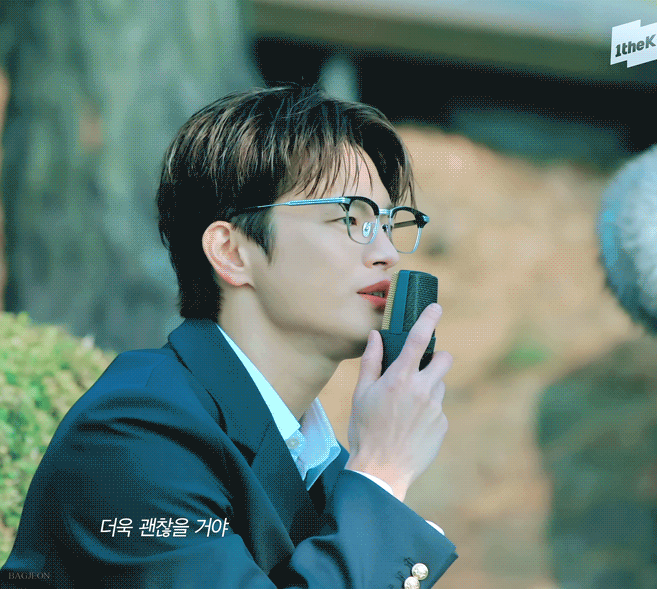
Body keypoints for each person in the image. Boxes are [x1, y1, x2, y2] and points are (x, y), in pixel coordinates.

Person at [1, 85, 457, 588]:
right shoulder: (133, 435)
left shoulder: (322, 466)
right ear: (232, 252)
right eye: (352, 217)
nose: (387, 253)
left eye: (389, 224)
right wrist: (382, 474)